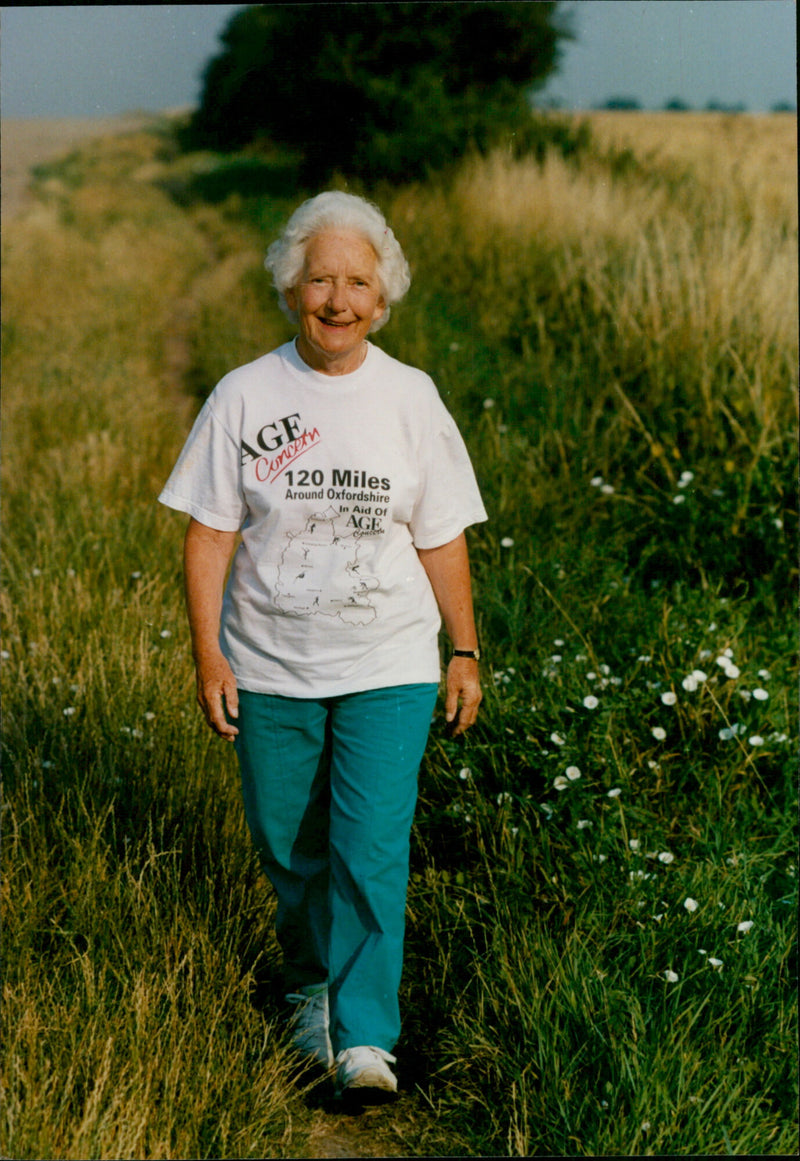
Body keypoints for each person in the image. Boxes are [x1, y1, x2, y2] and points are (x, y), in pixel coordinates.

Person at [158, 191, 487, 1101]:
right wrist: (209, 656)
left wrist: (463, 650)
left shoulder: (411, 398)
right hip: (268, 666)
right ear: (288, 290)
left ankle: (367, 1036)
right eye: (319, 280)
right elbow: (209, 535)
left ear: (383, 301)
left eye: (357, 283)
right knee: (289, 845)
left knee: (371, 843)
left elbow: (442, 533)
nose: (337, 300)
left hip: (388, 662)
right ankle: (311, 991)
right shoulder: (244, 395)